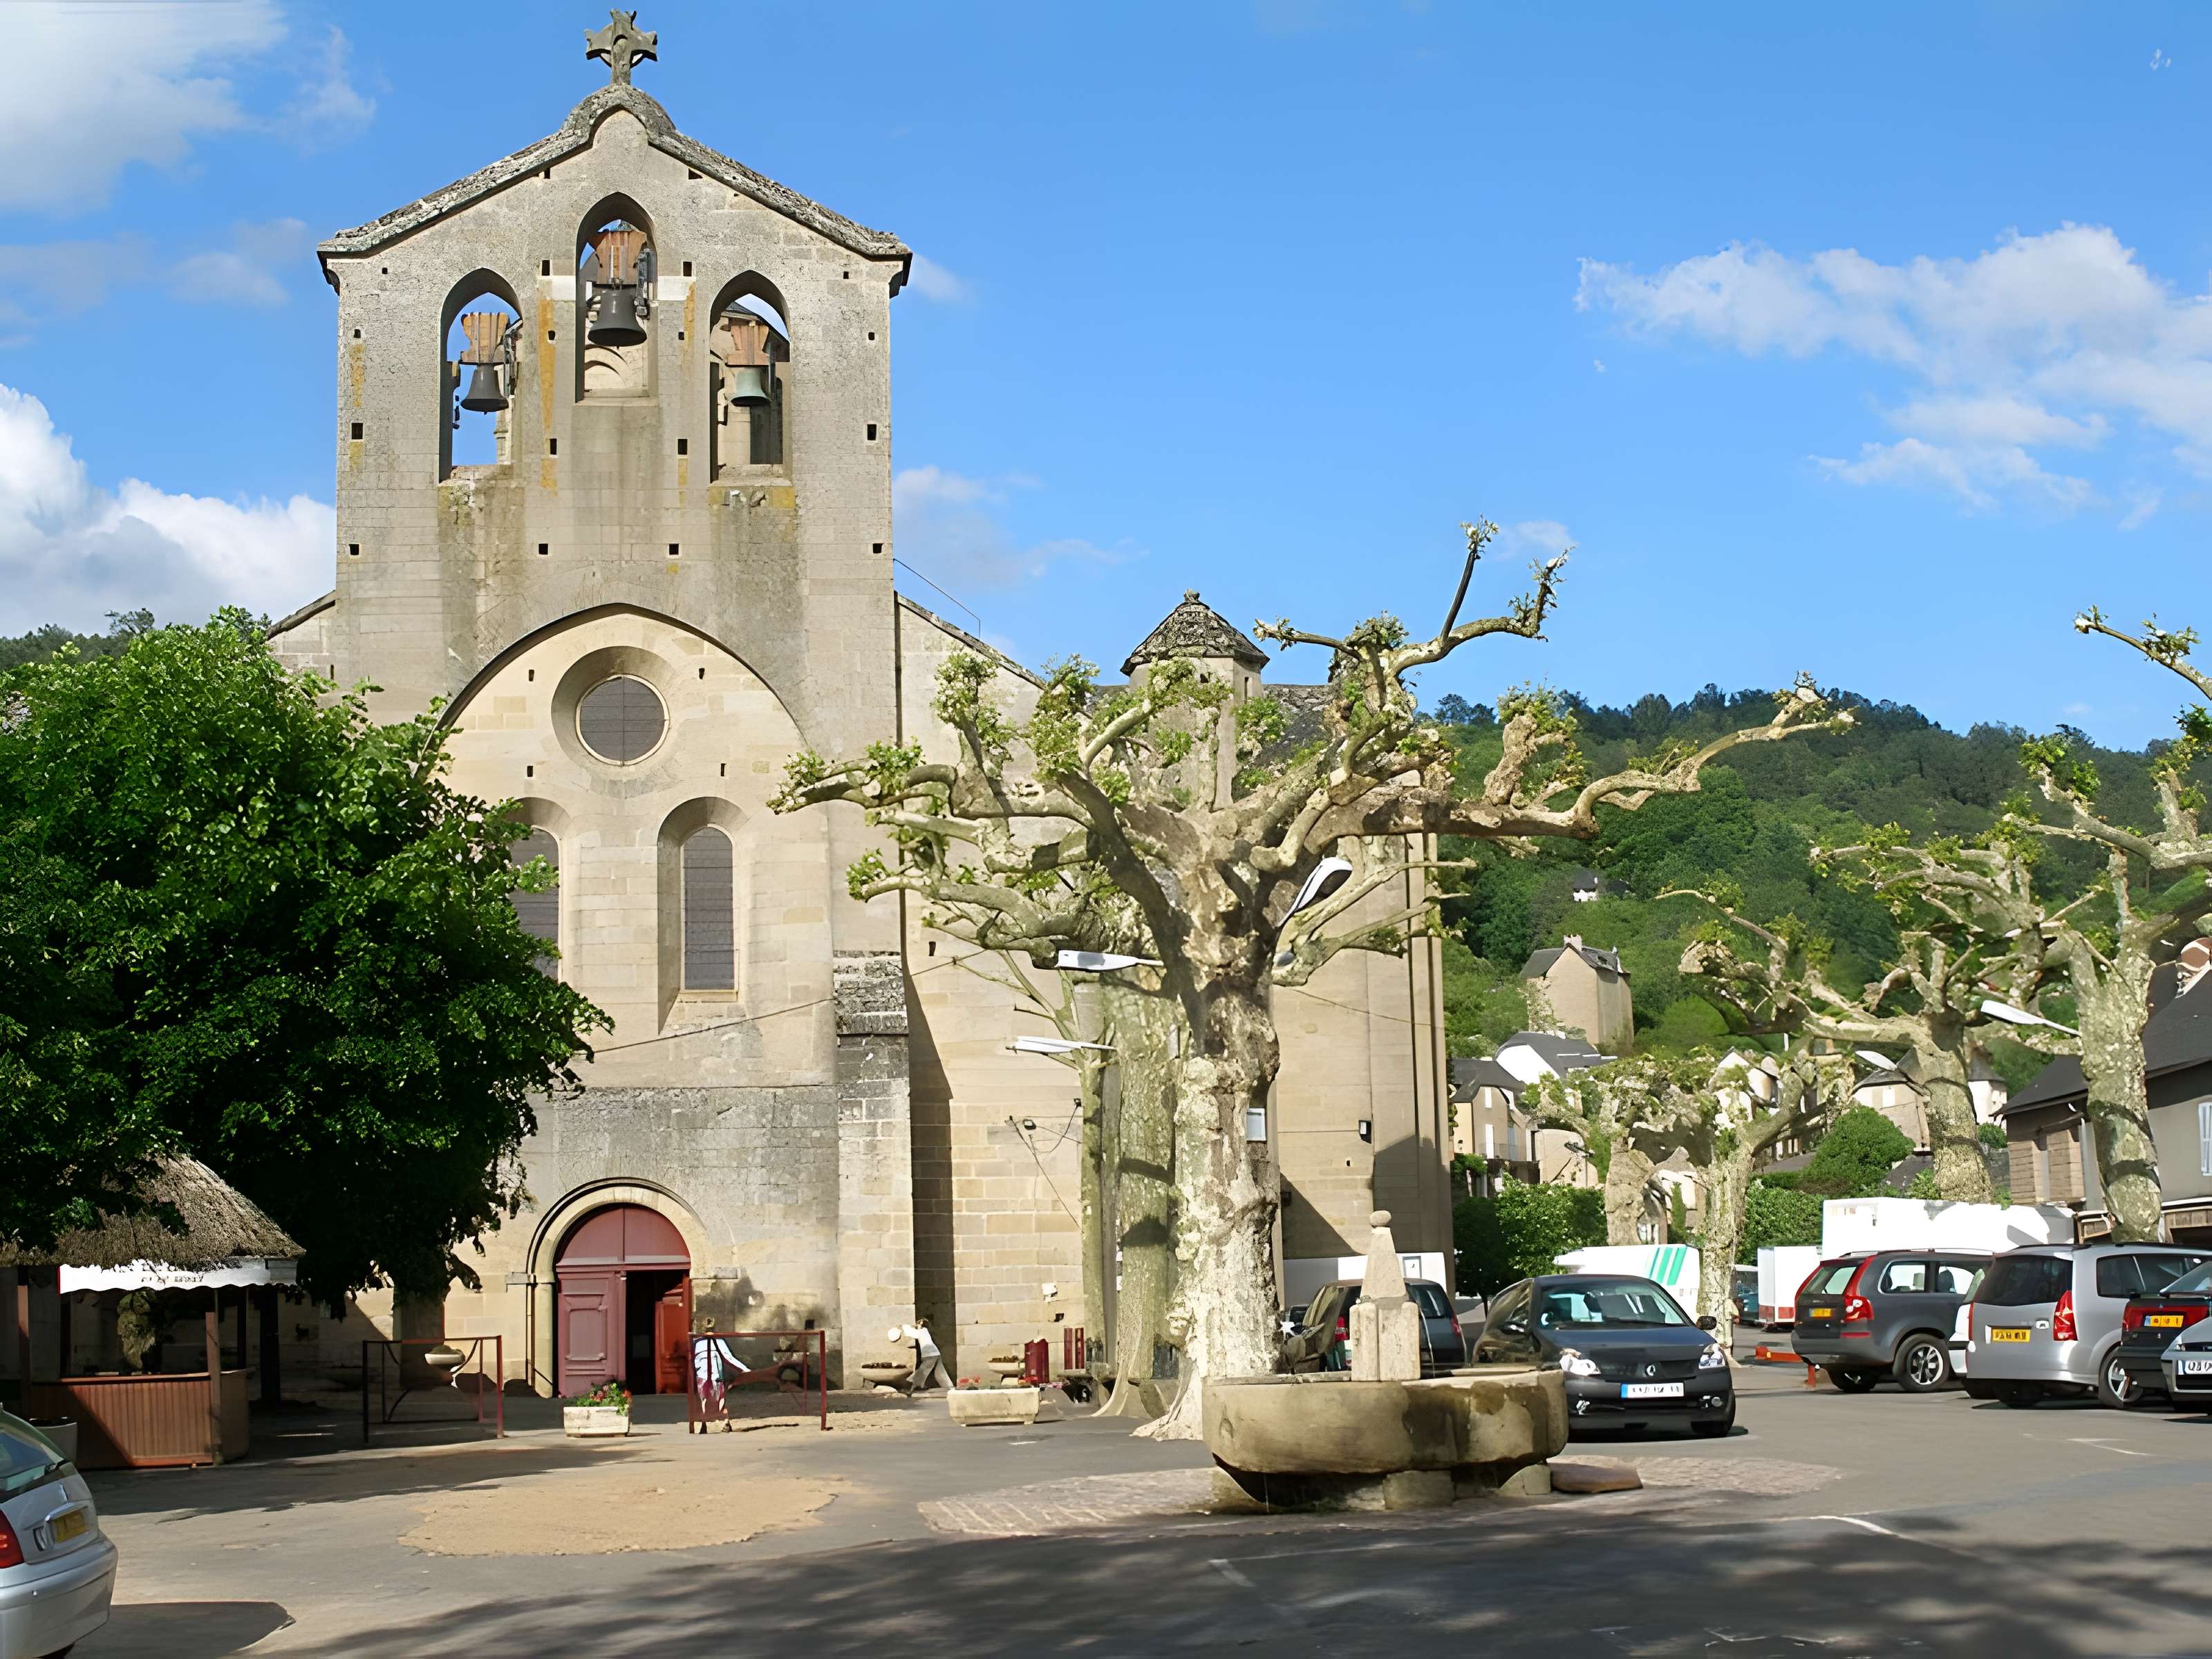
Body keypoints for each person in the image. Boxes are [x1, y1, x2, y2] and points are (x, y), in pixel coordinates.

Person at [691, 1318, 746, 1432]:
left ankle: (707, 1424)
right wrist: (744, 1369)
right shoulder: (715, 1341)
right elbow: (729, 1358)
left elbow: (693, 1360)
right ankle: (720, 1422)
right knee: (718, 1399)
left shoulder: (697, 1342)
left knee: (708, 1400)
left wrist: (743, 1369)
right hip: (711, 1376)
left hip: (706, 1376)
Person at [903, 1319, 953, 1392]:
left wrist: (904, 1326)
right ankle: (950, 1387)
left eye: (918, 1323)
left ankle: (912, 1390)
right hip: (935, 1353)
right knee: (940, 1372)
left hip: (929, 1354)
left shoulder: (922, 1331)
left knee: (922, 1371)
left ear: (921, 1324)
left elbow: (910, 1332)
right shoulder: (925, 1331)